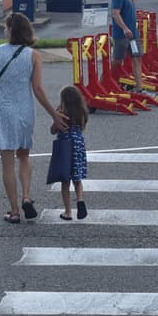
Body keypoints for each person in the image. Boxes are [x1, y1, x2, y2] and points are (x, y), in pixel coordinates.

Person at [0, 12, 67, 224]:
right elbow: (38, 89)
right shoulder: (33, 55)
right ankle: (27, 196)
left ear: (11, 30)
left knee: (7, 162)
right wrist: (55, 115)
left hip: (3, 109)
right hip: (24, 109)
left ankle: (14, 210)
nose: (5, 30)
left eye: (6, 27)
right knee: (24, 155)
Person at [51, 85, 90, 221]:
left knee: (65, 180)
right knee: (77, 178)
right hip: (78, 145)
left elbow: (53, 130)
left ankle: (68, 211)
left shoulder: (61, 113)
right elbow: (83, 127)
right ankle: (80, 200)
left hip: (65, 146)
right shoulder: (81, 112)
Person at [109, 0, 144, 90]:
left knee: (137, 58)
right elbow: (115, 13)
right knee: (117, 61)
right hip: (122, 35)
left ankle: (140, 88)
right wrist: (124, 28)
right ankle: (105, 81)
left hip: (133, 34)